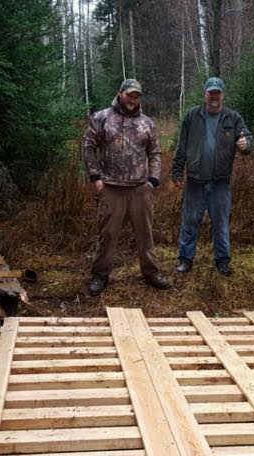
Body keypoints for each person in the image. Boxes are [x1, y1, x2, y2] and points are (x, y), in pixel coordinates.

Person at [82, 79, 170, 296]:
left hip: (140, 188)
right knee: (108, 234)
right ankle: (100, 275)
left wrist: (153, 180)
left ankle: (151, 273)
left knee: (145, 234)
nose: (133, 99)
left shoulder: (147, 123)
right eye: (130, 94)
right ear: (120, 93)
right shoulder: (101, 118)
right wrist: (95, 177)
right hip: (111, 187)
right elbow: (88, 146)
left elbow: (155, 153)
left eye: (137, 96)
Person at [171, 76, 253, 276]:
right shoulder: (192, 116)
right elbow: (182, 146)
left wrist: (246, 145)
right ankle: (185, 259)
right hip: (195, 181)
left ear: (222, 95)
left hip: (220, 182)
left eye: (217, 93)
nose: (214, 96)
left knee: (221, 224)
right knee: (189, 222)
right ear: (205, 94)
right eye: (211, 92)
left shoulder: (233, 118)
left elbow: (247, 138)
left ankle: (222, 261)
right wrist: (176, 170)